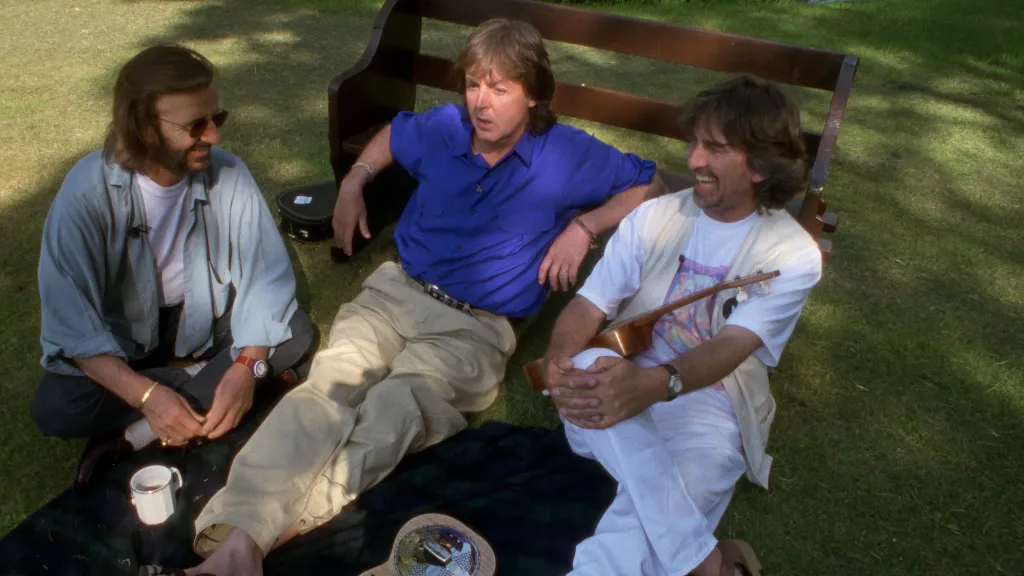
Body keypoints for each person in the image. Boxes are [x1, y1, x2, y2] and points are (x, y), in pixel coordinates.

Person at [184, 18, 666, 575]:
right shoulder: (446, 126)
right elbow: (393, 134)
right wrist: (355, 180)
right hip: (394, 294)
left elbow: (651, 183)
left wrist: (585, 226)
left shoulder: (567, 154)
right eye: (473, 84)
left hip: (473, 328)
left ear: (533, 95)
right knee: (325, 392)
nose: (481, 102)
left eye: (500, 88)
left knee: (392, 415)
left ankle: (251, 540)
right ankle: (239, 530)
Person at [541, 75, 823, 576]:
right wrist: (560, 360)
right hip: (615, 387)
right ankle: (706, 558)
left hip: (710, 405)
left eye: (715, 148)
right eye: (694, 142)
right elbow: (589, 304)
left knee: (688, 481)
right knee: (591, 360)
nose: (693, 160)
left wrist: (652, 386)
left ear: (760, 165)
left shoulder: (792, 254)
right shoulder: (654, 217)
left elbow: (732, 345)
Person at [31, 44, 316, 487]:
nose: (214, 137)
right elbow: (73, 327)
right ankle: (207, 383)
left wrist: (246, 366)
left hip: (201, 319)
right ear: (144, 129)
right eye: (196, 125)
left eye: (217, 118)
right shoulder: (85, 196)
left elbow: (266, 278)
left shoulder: (228, 173)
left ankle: (132, 438)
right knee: (55, 406)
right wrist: (147, 394)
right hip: (120, 338)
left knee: (296, 329)